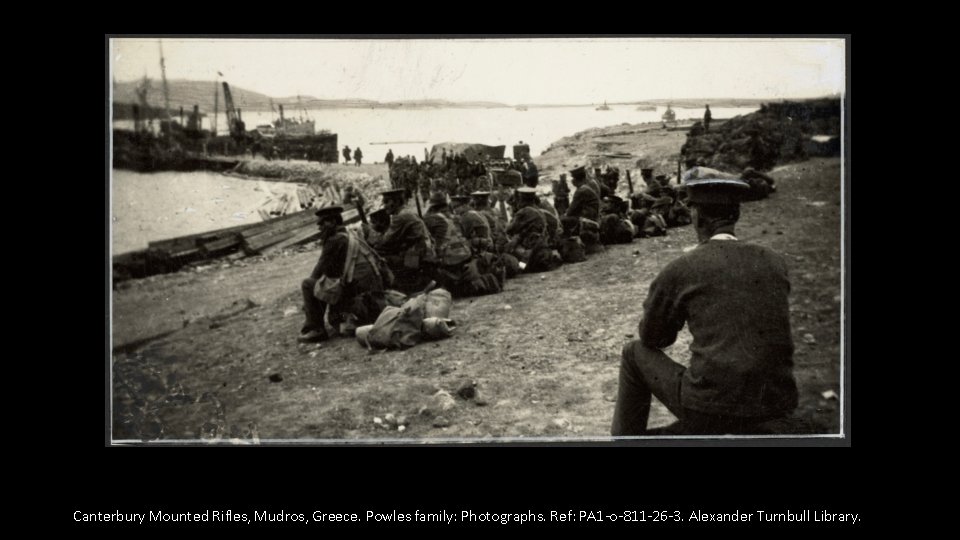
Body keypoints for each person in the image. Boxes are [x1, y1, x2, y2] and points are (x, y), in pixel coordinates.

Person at [611, 176, 798, 435]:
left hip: (711, 407)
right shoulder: (774, 261)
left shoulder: (681, 269)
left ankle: (627, 442)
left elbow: (653, 338)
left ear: (697, 216)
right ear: (736, 215)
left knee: (634, 352)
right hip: (776, 403)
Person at [298, 206, 388, 343]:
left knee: (308, 284)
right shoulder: (350, 234)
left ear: (333, 222)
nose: (320, 227)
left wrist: (308, 302)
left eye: (323, 223)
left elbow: (318, 272)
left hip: (362, 298)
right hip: (374, 297)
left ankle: (316, 329)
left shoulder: (334, 240)